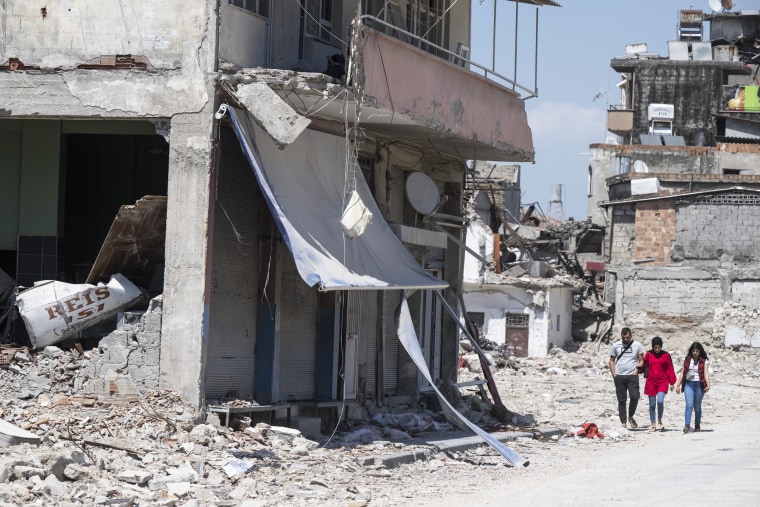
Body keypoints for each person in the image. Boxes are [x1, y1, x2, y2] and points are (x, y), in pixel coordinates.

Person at [609, 327, 645, 429]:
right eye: (623, 337)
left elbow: (641, 360)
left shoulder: (637, 345)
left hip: (632, 376)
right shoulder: (616, 345)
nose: (625, 339)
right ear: (621, 336)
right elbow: (611, 360)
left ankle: (630, 416)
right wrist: (614, 374)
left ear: (631, 336)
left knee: (634, 396)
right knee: (621, 399)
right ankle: (623, 422)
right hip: (619, 376)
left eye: (627, 337)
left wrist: (636, 371)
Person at [675, 342, 711, 433]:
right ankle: (687, 425)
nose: (695, 353)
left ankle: (697, 425)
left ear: (700, 352)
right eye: (693, 351)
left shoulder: (704, 361)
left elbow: (706, 373)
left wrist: (708, 384)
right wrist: (678, 385)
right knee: (689, 405)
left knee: (697, 406)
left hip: (699, 385)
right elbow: (683, 373)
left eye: (697, 351)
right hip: (689, 384)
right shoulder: (687, 360)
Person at [643, 337, 676, 431]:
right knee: (652, 404)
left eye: (659, 347)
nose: (657, 349)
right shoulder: (649, 354)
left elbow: (670, 368)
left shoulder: (666, 355)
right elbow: (643, 364)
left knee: (660, 401)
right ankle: (653, 423)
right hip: (651, 381)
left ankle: (660, 420)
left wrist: (672, 382)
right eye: (655, 347)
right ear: (652, 347)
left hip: (662, 381)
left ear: (661, 346)